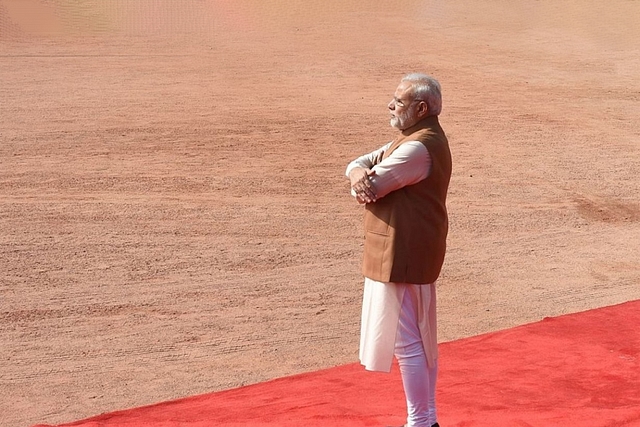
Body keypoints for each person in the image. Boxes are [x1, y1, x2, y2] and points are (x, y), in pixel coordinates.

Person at [346, 73, 451, 427]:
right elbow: (358, 164)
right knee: (419, 338)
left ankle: (421, 421)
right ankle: (425, 419)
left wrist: (360, 177)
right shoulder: (414, 139)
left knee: (409, 342)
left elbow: (368, 189)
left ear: (421, 108)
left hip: (403, 253)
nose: (391, 106)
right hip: (411, 249)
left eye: (399, 102)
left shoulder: (416, 148)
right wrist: (357, 171)